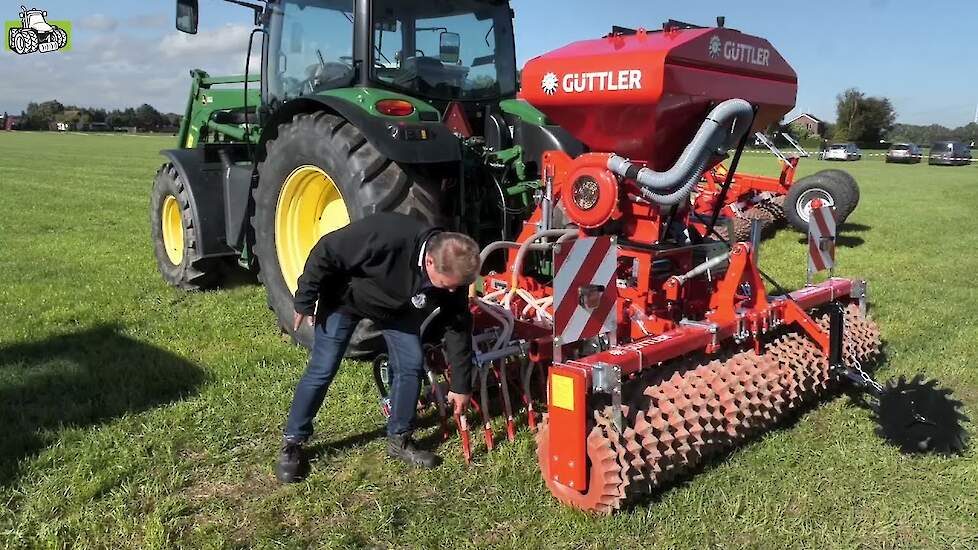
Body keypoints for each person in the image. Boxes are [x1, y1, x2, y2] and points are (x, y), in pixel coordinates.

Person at [275, 212, 479, 482]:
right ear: (429, 261)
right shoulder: (387, 234)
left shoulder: (454, 273)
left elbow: (458, 324)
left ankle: (400, 438)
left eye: (456, 287)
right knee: (323, 368)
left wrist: (461, 385)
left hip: (396, 308)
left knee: (410, 365)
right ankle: (293, 442)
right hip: (344, 298)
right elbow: (326, 250)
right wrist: (305, 298)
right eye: (446, 285)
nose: (452, 292)